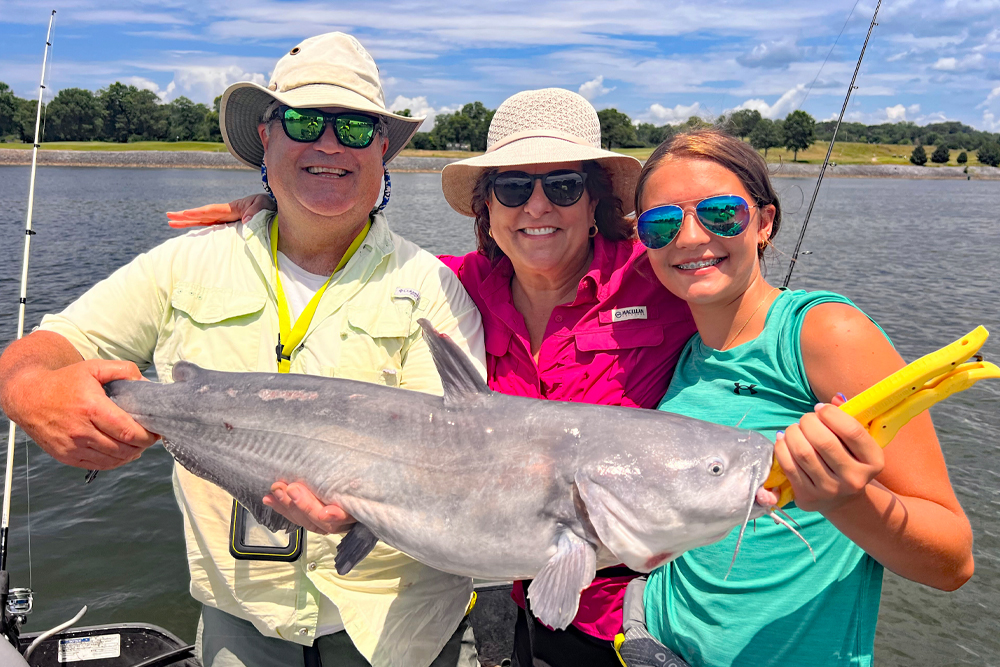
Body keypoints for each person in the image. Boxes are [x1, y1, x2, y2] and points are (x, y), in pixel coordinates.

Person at [0, 32, 486, 667]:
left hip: (402, 627)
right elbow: (35, 355)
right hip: (240, 621)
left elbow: (456, 456)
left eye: (357, 128)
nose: (330, 144)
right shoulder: (182, 265)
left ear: (384, 151)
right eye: (305, 121)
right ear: (267, 135)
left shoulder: (433, 287)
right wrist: (34, 393)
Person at [166, 88, 698, 667]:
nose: (537, 207)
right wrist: (279, 215)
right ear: (486, 207)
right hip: (514, 594)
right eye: (513, 188)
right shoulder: (449, 288)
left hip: (634, 608)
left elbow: (748, 306)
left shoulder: (661, 283)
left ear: (595, 200)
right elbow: (344, 262)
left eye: (564, 185)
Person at [628, 128, 974, 666]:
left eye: (721, 214)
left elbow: (952, 561)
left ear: (764, 222)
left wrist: (847, 499)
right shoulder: (682, 354)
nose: (691, 237)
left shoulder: (824, 333)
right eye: (661, 223)